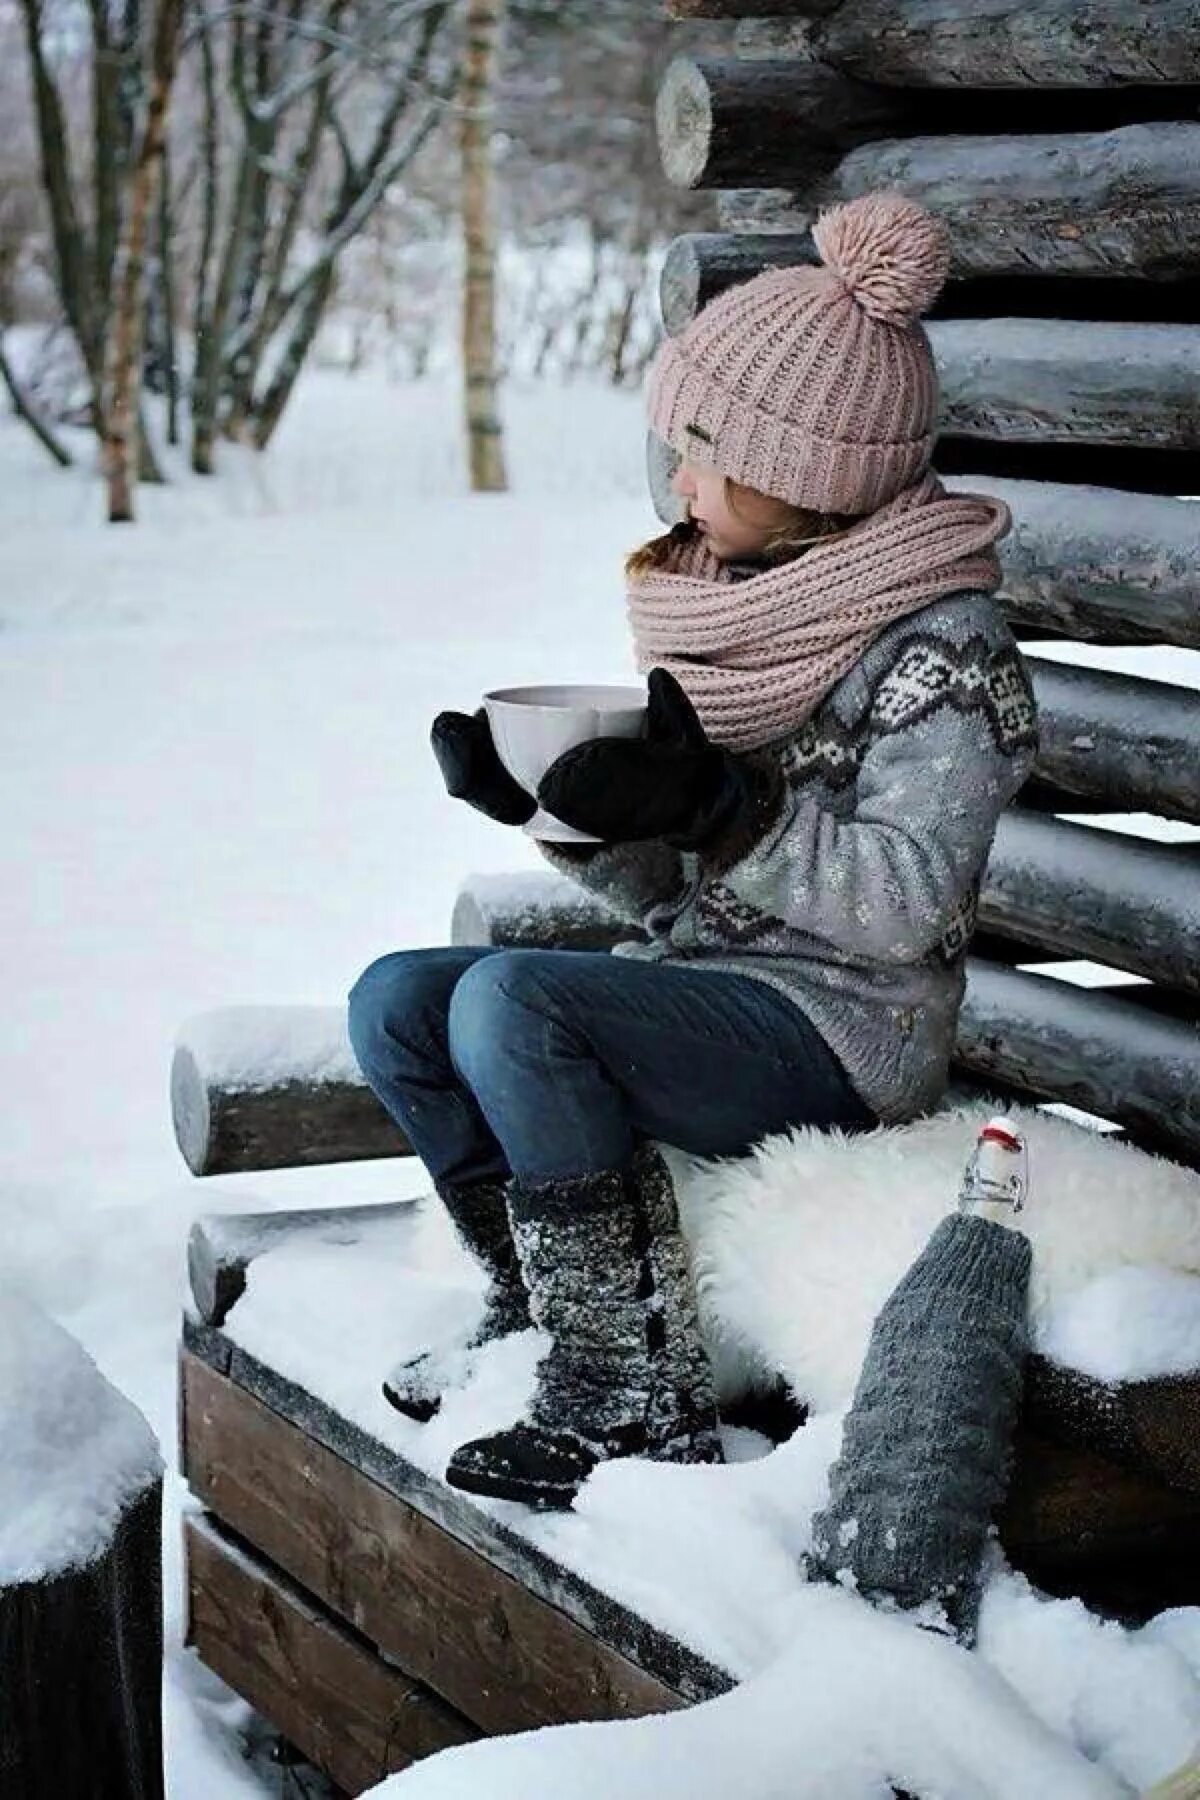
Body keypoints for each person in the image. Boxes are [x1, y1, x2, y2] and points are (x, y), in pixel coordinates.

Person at [347, 189, 1040, 1512]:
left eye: (713, 455)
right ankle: (543, 1298)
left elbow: (905, 905)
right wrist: (559, 811)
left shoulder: (943, 652)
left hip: (846, 1033)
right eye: (680, 445)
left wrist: (729, 812)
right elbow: (672, 893)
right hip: (719, 992)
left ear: (814, 473)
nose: (682, 484)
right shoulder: (740, 611)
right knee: (401, 1000)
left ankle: (631, 1380)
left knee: (513, 1000)